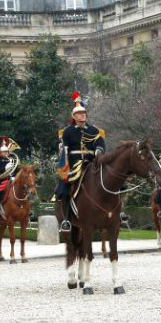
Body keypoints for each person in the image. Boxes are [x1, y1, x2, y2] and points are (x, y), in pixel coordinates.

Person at [55, 92, 106, 233]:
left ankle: (115, 213)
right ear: (74, 116)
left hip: (91, 162)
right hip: (73, 164)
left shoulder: (94, 130)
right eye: (79, 113)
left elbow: (100, 143)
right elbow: (65, 149)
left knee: (110, 180)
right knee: (64, 187)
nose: (82, 115)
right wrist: (64, 165)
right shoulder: (68, 132)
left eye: (84, 113)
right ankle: (66, 219)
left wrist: (99, 150)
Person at [0, 137, 16, 221]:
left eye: (7, 152)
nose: (6, 153)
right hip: (0, 180)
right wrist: (5, 168)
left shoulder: (11, 160)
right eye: (4, 152)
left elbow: (16, 169)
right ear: (0, 153)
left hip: (10, 178)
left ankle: (27, 210)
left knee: (23, 188)